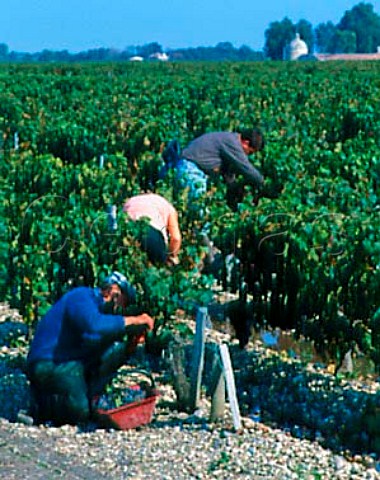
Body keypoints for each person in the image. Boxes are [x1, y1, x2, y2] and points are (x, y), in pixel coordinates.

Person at [26, 271, 154, 426]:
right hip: (48, 362)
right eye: (121, 301)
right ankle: (41, 407)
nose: (119, 308)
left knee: (94, 381)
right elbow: (95, 325)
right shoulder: (81, 297)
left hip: (69, 362)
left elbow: (101, 351)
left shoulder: (97, 312)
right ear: (113, 291)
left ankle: (62, 401)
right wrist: (135, 320)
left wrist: (131, 344)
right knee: (80, 412)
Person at [174, 128, 265, 205]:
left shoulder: (229, 140)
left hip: (189, 167)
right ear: (246, 143)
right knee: (199, 208)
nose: (247, 155)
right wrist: (263, 183)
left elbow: (228, 174)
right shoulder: (233, 143)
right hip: (190, 169)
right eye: (250, 152)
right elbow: (246, 168)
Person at [123, 193, 182, 266]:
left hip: (126, 228)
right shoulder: (170, 209)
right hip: (150, 232)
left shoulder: (133, 200)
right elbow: (176, 238)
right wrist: (172, 256)